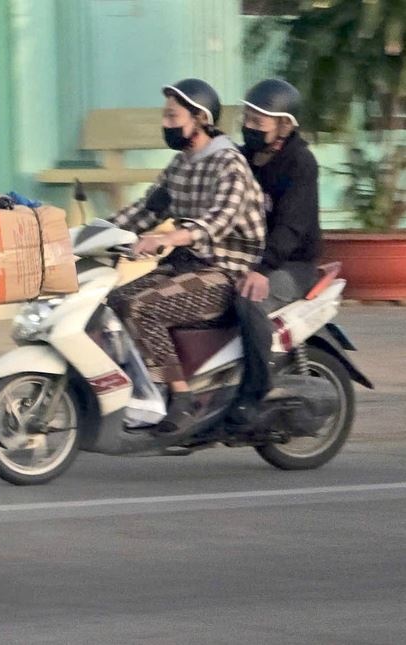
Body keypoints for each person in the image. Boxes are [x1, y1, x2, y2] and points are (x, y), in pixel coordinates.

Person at [107, 78, 267, 440]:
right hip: (188, 266)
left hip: (225, 271)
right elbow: (145, 211)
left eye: (172, 116)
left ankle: (180, 396)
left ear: (200, 118)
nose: (165, 124)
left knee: (142, 307)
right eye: (164, 116)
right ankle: (143, 389)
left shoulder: (229, 164)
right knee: (114, 300)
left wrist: (169, 237)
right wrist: (89, 234)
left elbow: (219, 219)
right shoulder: (181, 164)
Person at [232, 78, 322, 416]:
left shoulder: (300, 164)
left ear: (283, 125)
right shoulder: (245, 158)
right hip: (254, 258)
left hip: (293, 265)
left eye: (258, 122)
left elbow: (291, 228)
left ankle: (258, 391)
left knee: (247, 299)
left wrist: (262, 270)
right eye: (246, 119)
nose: (248, 128)